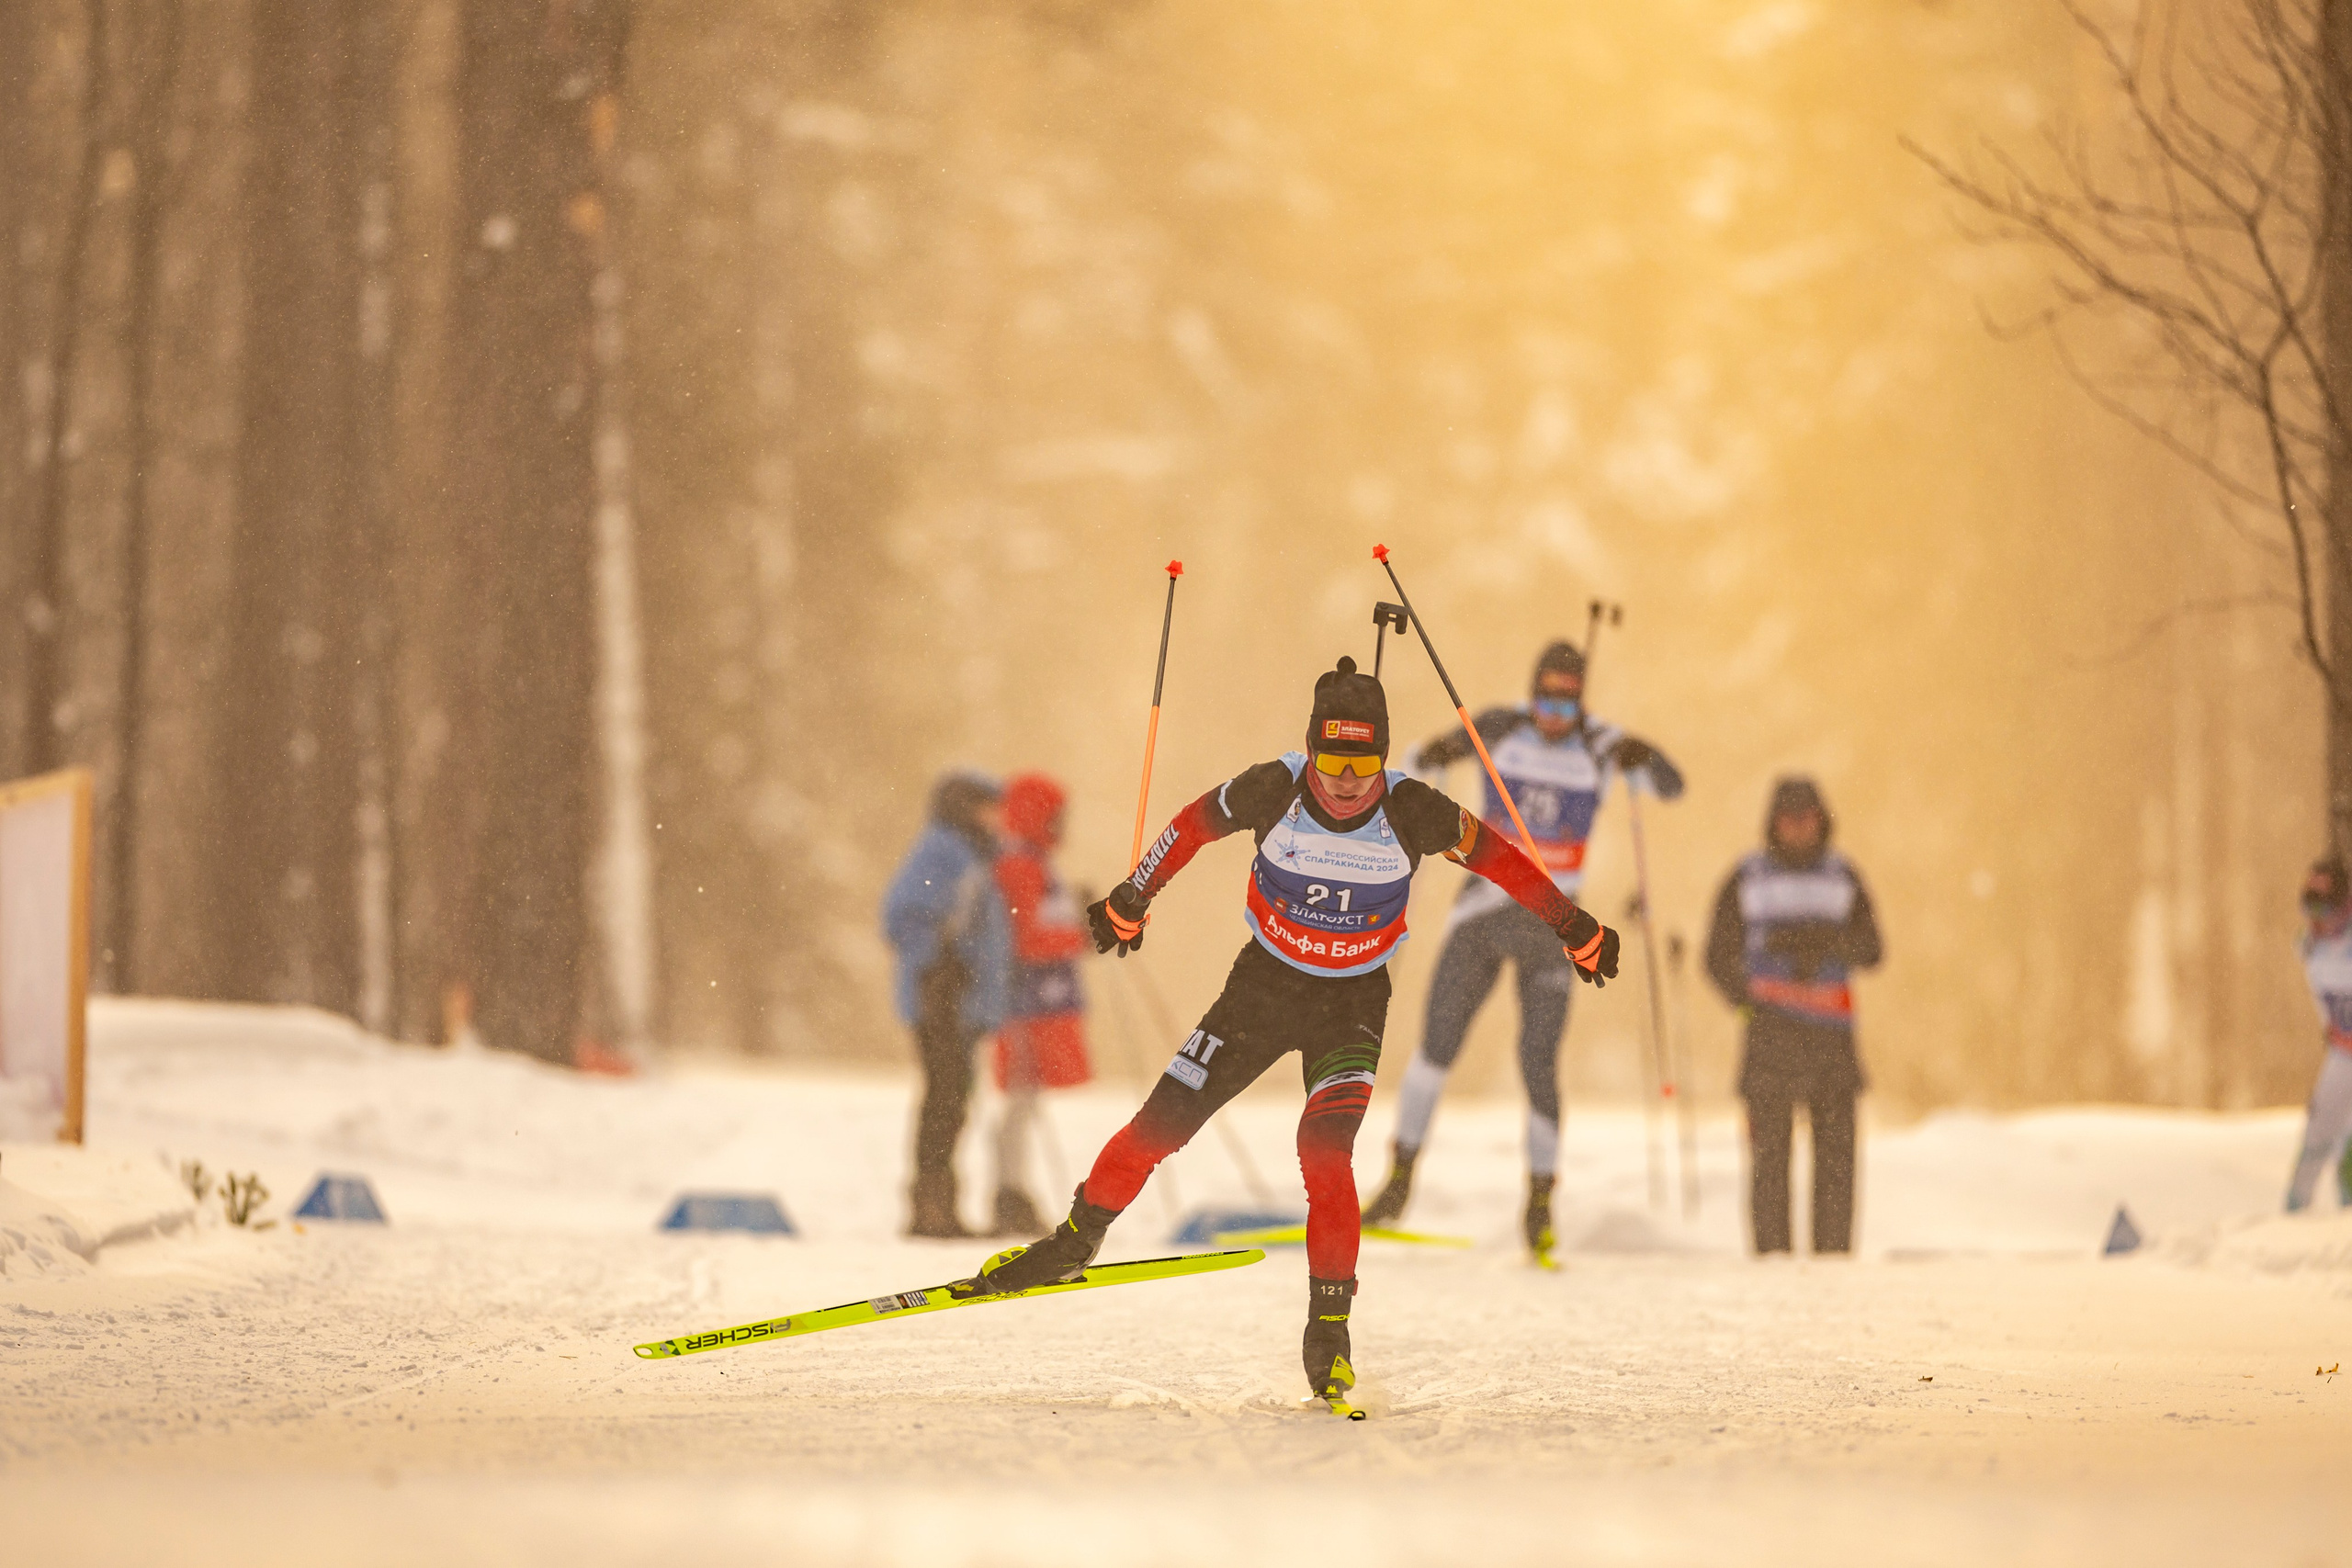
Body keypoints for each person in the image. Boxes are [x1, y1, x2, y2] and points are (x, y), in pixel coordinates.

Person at [955, 656, 1621, 1410]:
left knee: (1325, 1154)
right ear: (1312, 749)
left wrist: (1574, 925)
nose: (1345, 779)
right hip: (1261, 992)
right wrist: (1132, 899)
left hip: (1352, 1006)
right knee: (1158, 1126)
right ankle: (1071, 1243)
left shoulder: (1414, 809)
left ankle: (1329, 1331)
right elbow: (1188, 827)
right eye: (1332, 759)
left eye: (1363, 761)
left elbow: (1504, 861)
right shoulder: (1275, 786)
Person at [1360, 638, 1683, 1257]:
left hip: (1552, 926)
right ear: (1530, 691)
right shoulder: (1499, 726)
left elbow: (1669, 786)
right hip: (1483, 913)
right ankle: (1398, 1182)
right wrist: (1432, 753)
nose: (1552, 713)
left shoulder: (1601, 743)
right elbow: (1420, 759)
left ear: (1579, 701)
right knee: (1437, 1043)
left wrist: (1645, 753)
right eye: (1544, 698)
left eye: (1565, 702)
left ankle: (1539, 1203)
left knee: (1538, 1061)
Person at [1703, 776, 1883, 1255]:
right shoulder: (1748, 877)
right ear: (1773, 823)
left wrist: (1826, 945)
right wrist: (1745, 1002)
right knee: (1768, 1163)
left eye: (1808, 819)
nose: (1799, 829)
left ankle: (1833, 1261)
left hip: (1832, 1041)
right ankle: (1772, 1261)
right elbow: (1717, 954)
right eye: (1790, 819)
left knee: (1837, 1165)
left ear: (1822, 822)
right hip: (1770, 1038)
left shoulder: (1843, 876)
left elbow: (1873, 949)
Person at [881, 771, 1012, 1238]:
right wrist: (938, 963)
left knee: (952, 1099)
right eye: (986, 806)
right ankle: (930, 1207)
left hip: (961, 1000)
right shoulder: (943, 849)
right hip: (939, 999)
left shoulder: (973, 853)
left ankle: (939, 1206)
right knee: (944, 1099)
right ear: (962, 808)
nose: (996, 816)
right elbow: (902, 913)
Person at [989, 773, 1094, 1236]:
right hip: (1024, 999)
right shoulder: (1020, 864)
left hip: (1038, 997)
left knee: (1026, 1098)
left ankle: (1012, 1190)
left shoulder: (1036, 861)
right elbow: (1025, 937)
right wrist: (1082, 935)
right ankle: (1008, 1193)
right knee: (1020, 1096)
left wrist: (1080, 914)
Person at [2285, 854, 2352, 1213]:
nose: (2315, 919)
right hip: (2342, 1055)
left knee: (2350, 1153)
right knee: (2315, 1140)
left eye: (2323, 907)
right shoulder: (2310, 947)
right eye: (2308, 905)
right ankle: (2291, 1218)